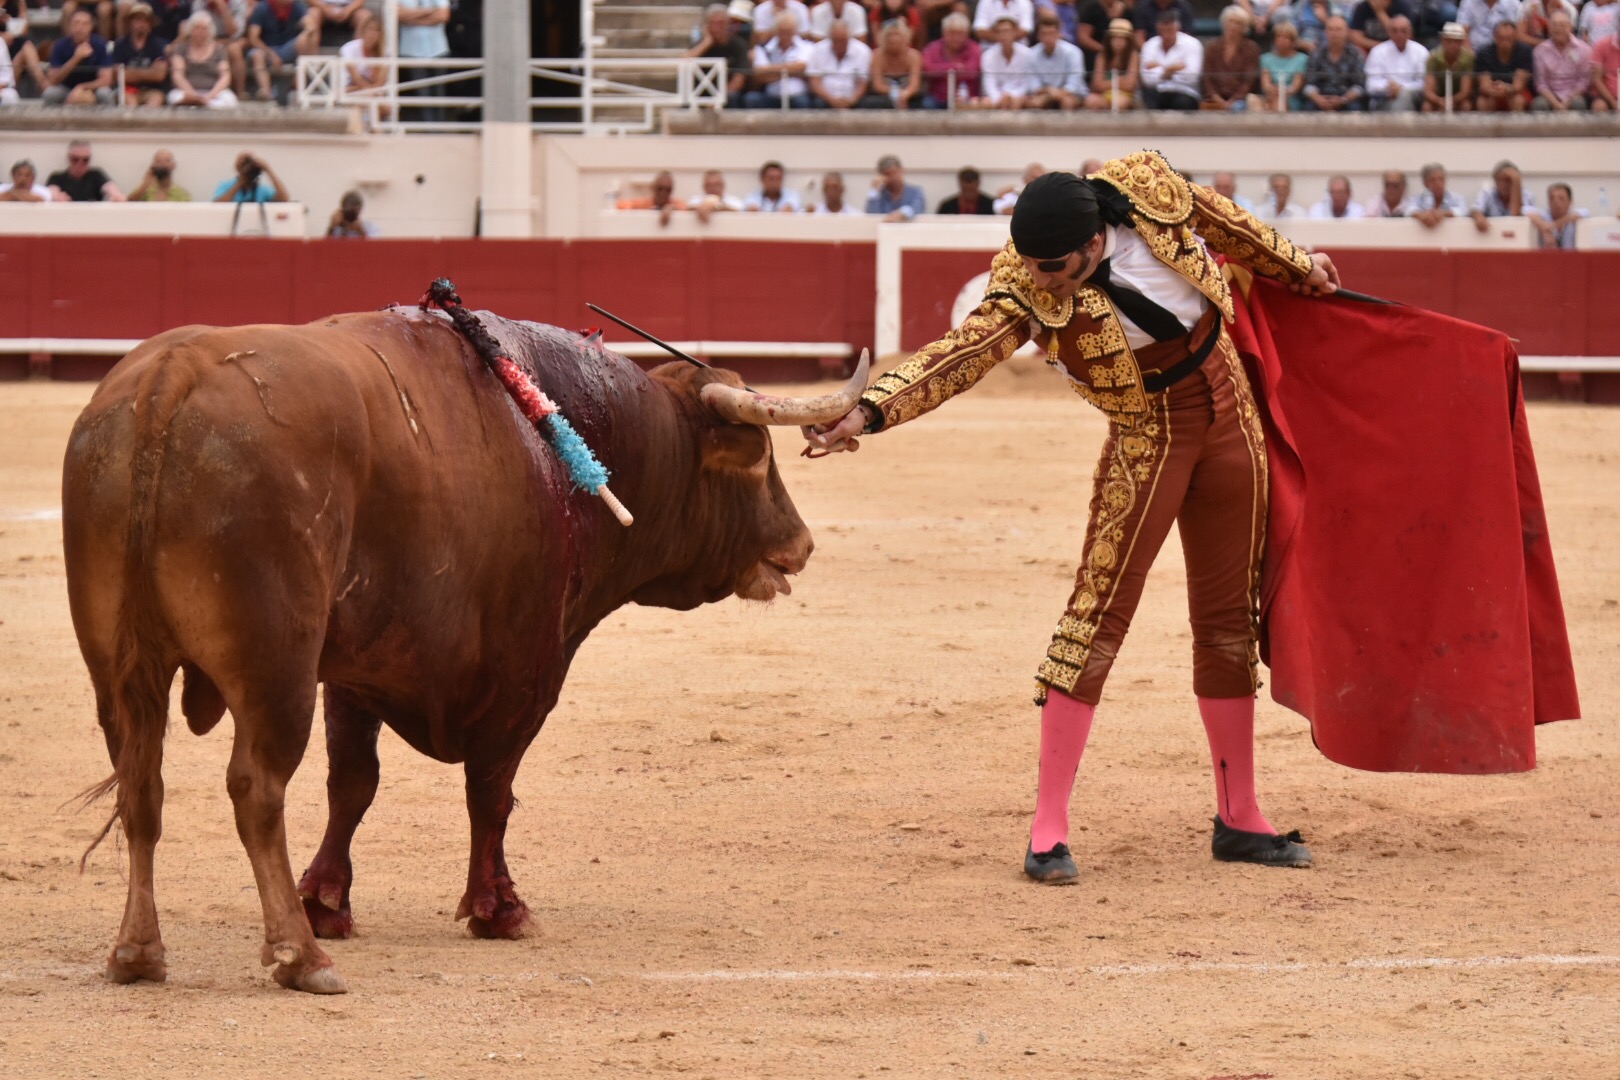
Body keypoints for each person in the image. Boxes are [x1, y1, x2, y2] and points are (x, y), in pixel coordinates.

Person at [803, 153, 1341, 883]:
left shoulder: (1149, 191)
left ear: (1093, 243)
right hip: (1147, 436)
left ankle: (1240, 815)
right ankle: (1047, 828)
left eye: (1054, 266)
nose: (1042, 279)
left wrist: (1298, 266)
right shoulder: (1028, 283)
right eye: (1033, 265)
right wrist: (867, 413)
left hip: (1229, 413)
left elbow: (1226, 223)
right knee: (1094, 618)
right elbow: (963, 353)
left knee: (1226, 622)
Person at [246, 0, 318, 101]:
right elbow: (253, 38)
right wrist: (271, 54)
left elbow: (311, 26)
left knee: (306, 40)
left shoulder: (297, 6)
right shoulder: (262, 8)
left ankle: (299, 86)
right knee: (257, 55)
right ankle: (266, 91)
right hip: (266, 48)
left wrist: (305, 34)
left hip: (287, 48)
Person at [686, 3, 751, 106]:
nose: (717, 28)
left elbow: (739, 79)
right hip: (701, 93)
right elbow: (683, 63)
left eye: (721, 23)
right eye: (713, 23)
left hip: (727, 94)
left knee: (734, 97)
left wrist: (719, 99)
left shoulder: (739, 45)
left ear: (728, 24)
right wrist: (706, 43)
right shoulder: (701, 44)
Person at [44, 9, 114, 104]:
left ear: (91, 27)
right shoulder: (59, 45)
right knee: (50, 94)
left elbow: (106, 80)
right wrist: (75, 58)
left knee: (105, 93)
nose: (79, 28)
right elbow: (53, 79)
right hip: (66, 88)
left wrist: (82, 87)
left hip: (92, 88)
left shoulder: (100, 45)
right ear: (70, 27)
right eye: (76, 23)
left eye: (84, 24)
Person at [745, 10, 814, 107]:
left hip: (798, 97)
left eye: (788, 31)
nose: (785, 35)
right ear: (776, 31)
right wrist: (792, 72)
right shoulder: (763, 48)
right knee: (751, 99)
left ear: (795, 31)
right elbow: (760, 73)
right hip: (771, 96)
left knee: (803, 102)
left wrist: (769, 70)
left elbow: (801, 67)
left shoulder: (806, 46)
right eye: (782, 31)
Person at [395, 0, 449, 118]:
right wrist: (430, 11)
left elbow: (443, 15)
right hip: (412, 50)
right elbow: (398, 15)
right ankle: (429, 130)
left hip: (438, 49)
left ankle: (440, 131)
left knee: (439, 94)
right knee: (422, 95)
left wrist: (413, 16)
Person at [169, 11, 236, 105]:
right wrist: (194, 95)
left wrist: (210, 95)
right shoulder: (180, 49)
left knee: (229, 100)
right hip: (187, 92)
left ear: (210, 31)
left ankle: (204, 104)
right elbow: (178, 75)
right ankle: (196, 103)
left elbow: (225, 76)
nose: (200, 32)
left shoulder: (220, 49)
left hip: (213, 92)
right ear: (190, 30)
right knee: (175, 97)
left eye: (204, 29)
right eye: (197, 28)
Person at [1139, 8, 1201, 108]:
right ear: (1158, 29)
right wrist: (1170, 69)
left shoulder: (1193, 44)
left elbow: (1192, 77)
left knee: (1182, 103)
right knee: (1149, 98)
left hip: (1184, 91)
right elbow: (1147, 79)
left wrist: (1160, 68)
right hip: (1158, 91)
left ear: (1177, 28)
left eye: (1170, 29)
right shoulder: (1149, 45)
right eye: (1163, 30)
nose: (1167, 34)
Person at [1531, 11, 1594, 109]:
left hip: (1574, 94)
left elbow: (1584, 81)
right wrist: (1556, 103)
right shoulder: (1540, 51)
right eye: (1554, 25)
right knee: (1539, 104)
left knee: (1578, 103)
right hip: (1550, 95)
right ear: (1549, 28)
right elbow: (1540, 83)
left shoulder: (1584, 49)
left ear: (1571, 27)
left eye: (1562, 25)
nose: (1558, 29)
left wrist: (1567, 102)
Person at [1203, 5, 1259, 110]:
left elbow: (1249, 81)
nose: (1233, 26)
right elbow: (1207, 78)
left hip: (1240, 99)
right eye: (1230, 21)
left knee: (1237, 108)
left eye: (1238, 23)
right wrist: (1217, 99)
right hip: (1214, 97)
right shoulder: (1212, 47)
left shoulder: (1251, 48)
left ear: (1244, 28)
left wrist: (1233, 101)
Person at [1303, 15, 1365, 109]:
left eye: (1338, 29)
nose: (1334, 33)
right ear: (1325, 32)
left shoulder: (1356, 54)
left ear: (1346, 32)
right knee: (1308, 109)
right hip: (1321, 98)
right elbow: (1309, 84)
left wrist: (1343, 100)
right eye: (1330, 29)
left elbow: (1359, 86)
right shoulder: (1316, 53)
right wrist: (1319, 99)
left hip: (1347, 99)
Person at [1364, 14, 1427, 108]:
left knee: (1403, 97)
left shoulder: (1421, 52)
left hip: (1413, 98)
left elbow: (1424, 83)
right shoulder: (1377, 52)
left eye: (1403, 31)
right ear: (1389, 33)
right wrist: (1387, 87)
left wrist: (1402, 88)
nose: (1399, 35)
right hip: (1382, 97)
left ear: (1410, 33)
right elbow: (1371, 84)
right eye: (1395, 31)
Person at [808, 17, 872, 107]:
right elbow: (815, 82)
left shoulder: (863, 51)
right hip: (825, 99)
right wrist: (831, 100)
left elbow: (863, 84)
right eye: (836, 40)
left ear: (849, 38)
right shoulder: (817, 50)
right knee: (817, 103)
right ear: (830, 38)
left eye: (843, 40)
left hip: (853, 100)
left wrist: (851, 101)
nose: (839, 44)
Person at [1025, 12, 1084, 108]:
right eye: (1044, 34)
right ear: (1038, 36)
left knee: (1067, 102)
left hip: (1070, 94)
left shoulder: (1073, 52)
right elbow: (1033, 85)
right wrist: (1049, 91)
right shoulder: (1031, 54)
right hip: (1044, 93)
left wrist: (1050, 96)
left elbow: (1073, 85)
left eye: (1051, 33)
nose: (1048, 38)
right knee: (1033, 102)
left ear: (1059, 34)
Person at [921, 12, 979, 106]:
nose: (955, 37)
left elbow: (972, 71)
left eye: (960, 33)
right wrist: (955, 67)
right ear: (943, 33)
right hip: (938, 97)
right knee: (927, 104)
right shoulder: (932, 48)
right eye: (951, 33)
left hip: (967, 98)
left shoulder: (974, 48)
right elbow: (929, 70)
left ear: (967, 34)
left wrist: (942, 70)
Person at [1473, 16, 1532, 108]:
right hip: (1492, 91)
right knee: (1482, 102)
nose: (1505, 42)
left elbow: (1519, 84)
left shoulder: (1524, 51)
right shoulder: (1484, 53)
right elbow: (1484, 84)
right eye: (1501, 38)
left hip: (1515, 91)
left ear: (1515, 37)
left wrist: (1507, 89)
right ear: (1495, 37)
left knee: (1517, 100)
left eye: (1508, 39)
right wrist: (1493, 90)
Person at [978, 14, 1036, 107]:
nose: (1003, 35)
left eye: (1006, 31)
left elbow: (1027, 83)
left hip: (1020, 99)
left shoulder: (1027, 54)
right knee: (984, 102)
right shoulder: (987, 56)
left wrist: (1012, 96)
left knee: (1029, 101)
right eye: (999, 32)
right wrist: (999, 99)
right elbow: (989, 84)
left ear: (1015, 32)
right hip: (996, 100)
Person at [863, 18, 923, 107]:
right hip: (884, 96)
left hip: (909, 96)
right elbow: (877, 85)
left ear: (905, 37)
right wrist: (895, 93)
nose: (893, 39)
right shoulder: (876, 56)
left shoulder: (914, 56)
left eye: (897, 34)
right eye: (889, 35)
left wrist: (905, 94)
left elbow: (914, 84)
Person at [1085, 16, 1138, 107]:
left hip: (1126, 96)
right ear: (1109, 40)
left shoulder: (1133, 56)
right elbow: (1096, 84)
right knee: (1091, 100)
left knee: (1120, 102)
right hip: (1104, 94)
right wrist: (1119, 81)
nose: (1118, 42)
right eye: (1115, 38)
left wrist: (1107, 83)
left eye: (1122, 39)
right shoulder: (1102, 56)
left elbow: (1130, 85)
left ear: (1128, 41)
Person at [1469, 159, 1535, 231]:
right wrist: (1478, 217)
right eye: (1500, 180)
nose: (1503, 185)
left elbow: (1516, 216)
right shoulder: (1487, 194)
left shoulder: (1526, 195)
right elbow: (1475, 209)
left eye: (1508, 180)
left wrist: (1516, 180)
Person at [47, 141, 125, 201]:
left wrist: (115, 196)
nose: (80, 163)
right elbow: (52, 192)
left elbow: (111, 188)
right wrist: (57, 197)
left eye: (85, 160)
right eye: (76, 159)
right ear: (69, 158)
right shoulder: (57, 177)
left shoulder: (96, 175)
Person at [1423, 20, 1474, 109]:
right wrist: (1439, 101)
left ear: (1462, 42)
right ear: (1442, 40)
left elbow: (1465, 91)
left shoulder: (1468, 58)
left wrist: (1451, 101)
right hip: (1438, 97)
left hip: (1459, 99)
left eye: (1456, 41)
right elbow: (1428, 90)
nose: (1452, 44)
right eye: (1449, 41)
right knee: (1427, 106)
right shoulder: (1433, 57)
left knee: (1466, 105)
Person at [339, 8, 388, 94]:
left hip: (374, 92)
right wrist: (369, 91)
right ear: (363, 30)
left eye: (377, 30)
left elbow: (380, 81)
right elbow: (355, 77)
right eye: (370, 29)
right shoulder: (349, 48)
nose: (372, 34)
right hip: (350, 89)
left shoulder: (385, 52)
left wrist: (371, 91)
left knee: (384, 105)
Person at [1260, 22, 1309, 108]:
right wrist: (1273, 90)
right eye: (1278, 36)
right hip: (1271, 96)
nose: (1281, 40)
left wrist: (1281, 92)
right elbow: (1266, 84)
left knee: (1279, 101)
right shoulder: (1265, 58)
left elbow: (1295, 87)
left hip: (1290, 97)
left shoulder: (1302, 59)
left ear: (1293, 41)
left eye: (1285, 37)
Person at [866, 153, 926, 220]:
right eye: (887, 174)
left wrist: (902, 214)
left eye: (895, 172)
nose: (893, 177)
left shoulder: (915, 192)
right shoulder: (880, 195)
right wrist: (874, 190)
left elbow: (917, 207)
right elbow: (871, 215)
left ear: (901, 171)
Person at [616, 170, 686, 226]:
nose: (663, 193)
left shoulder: (675, 204)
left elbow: (688, 209)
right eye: (660, 188)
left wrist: (672, 208)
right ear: (653, 188)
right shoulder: (644, 203)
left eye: (667, 190)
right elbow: (620, 205)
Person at [213, 151, 288, 202]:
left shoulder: (262, 190)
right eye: (242, 163)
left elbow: (284, 198)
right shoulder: (226, 186)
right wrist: (240, 182)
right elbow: (217, 205)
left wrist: (268, 170)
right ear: (236, 167)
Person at [1533, 181, 1585, 247]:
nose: (1556, 202)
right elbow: (1524, 210)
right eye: (1552, 198)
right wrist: (1544, 229)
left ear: (1570, 201)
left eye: (1561, 198)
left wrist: (1553, 225)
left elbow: (1583, 213)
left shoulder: (1576, 215)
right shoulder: (1544, 216)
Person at [1346, 0, 1414, 49]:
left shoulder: (1402, 6)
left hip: (1395, 49)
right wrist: (1380, 47)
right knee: (1357, 49)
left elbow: (1404, 37)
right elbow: (1355, 37)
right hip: (1368, 49)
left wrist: (1380, 12)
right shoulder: (1362, 7)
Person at [1593, 22, 1620, 109]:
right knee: (1599, 106)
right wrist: (1613, 102)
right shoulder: (1602, 45)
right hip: (1606, 98)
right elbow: (1596, 79)